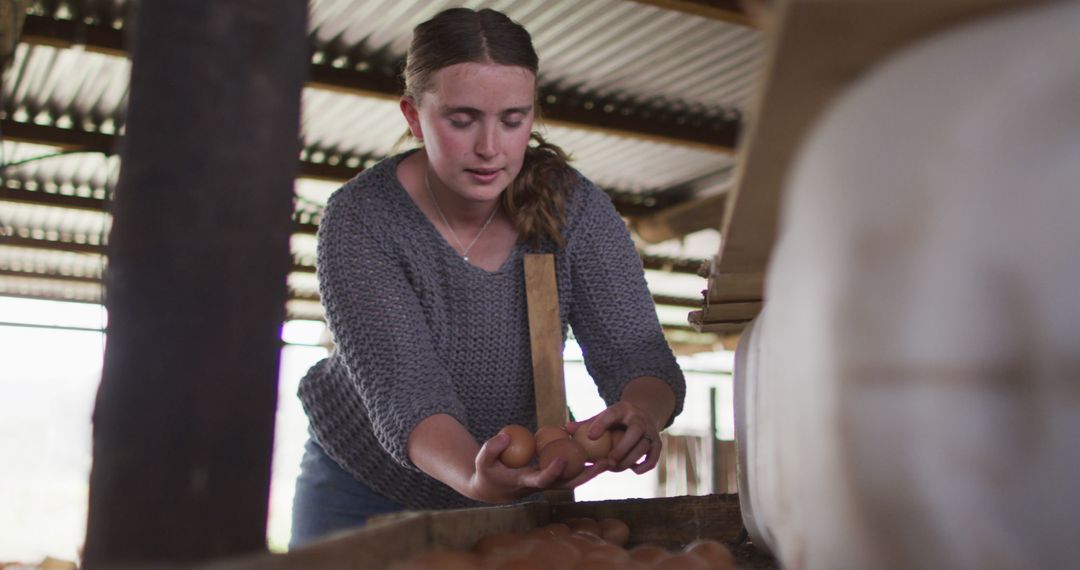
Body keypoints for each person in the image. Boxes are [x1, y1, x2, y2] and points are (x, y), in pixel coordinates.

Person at [289, 7, 686, 549]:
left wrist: (640, 411)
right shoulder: (363, 218)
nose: (490, 148)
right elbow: (408, 396)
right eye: (462, 119)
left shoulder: (575, 209)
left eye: (513, 119)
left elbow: (638, 353)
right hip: (364, 485)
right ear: (413, 115)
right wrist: (475, 478)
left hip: (517, 483)